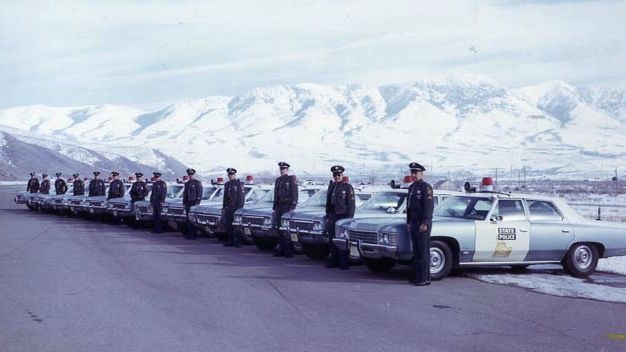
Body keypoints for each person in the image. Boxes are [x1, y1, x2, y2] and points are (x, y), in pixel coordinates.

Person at [406, 162, 434, 286]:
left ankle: (424, 278)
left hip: (422, 223)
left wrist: (425, 222)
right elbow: (409, 207)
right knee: (416, 251)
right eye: (412, 173)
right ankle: (417, 276)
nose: (413, 175)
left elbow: (428, 207)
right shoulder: (411, 187)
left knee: (423, 252)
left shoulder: (426, 187)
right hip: (413, 222)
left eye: (416, 173)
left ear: (421, 174)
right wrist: (408, 222)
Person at [324, 165, 356, 270]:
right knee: (332, 239)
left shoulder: (347, 187)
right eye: (335, 175)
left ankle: (344, 262)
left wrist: (348, 219)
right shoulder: (332, 186)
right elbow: (328, 202)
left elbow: (351, 205)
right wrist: (327, 215)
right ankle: (334, 260)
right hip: (333, 215)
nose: (337, 177)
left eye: (338, 175)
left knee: (342, 240)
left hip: (343, 216)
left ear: (342, 175)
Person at [272, 162, 298, 258]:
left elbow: (294, 194)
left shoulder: (291, 179)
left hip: (287, 206)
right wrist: (274, 207)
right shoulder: (278, 180)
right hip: (279, 206)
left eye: (284, 168)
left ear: (287, 170)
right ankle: (281, 249)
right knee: (280, 229)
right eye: (281, 169)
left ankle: (289, 251)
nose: (282, 170)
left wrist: (292, 207)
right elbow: (276, 194)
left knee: (287, 229)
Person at [222, 168, 245, 247]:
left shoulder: (238, 184)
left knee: (236, 226)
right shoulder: (227, 184)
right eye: (229, 174)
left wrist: (239, 208)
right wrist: (224, 207)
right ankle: (230, 241)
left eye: (232, 174)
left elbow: (241, 197)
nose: (230, 176)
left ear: (235, 175)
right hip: (228, 207)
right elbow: (225, 197)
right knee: (229, 225)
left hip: (235, 207)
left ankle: (237, 242)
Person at [182, 168, 203, 240]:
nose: (190, 175)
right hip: (188, 202)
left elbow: (199, 194)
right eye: (189, 174)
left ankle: (194, 234)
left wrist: (197, 203)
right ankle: (190, 234)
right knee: (188, 219)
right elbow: (185, 194)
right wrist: (184, 203)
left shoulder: (197, 183)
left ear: (194, 174)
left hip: (194, 202)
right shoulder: (187, 183)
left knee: (193, 220)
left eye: (191, 174)